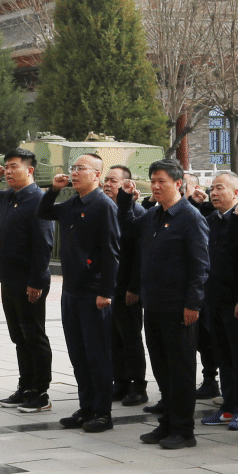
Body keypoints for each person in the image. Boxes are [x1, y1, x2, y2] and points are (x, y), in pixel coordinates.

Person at [128, 160, 208, 449]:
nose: (156, 185)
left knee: (181, 369)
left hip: (179, 307)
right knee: (162, 367)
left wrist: (193, 303)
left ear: (178, 183)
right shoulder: (151, 216)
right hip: (154, 304)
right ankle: (167, 423)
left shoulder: (190, 217)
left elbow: (200, 265)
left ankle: (184, 430)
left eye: (162, 180)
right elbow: (128, 230)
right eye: (153, 180)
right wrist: (128, 200)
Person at [38, 154, 120, 433]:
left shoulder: (103, 205)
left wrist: (106, 291)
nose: (74, 173)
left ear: (96, 174)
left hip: (93, 292)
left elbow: (111, 252)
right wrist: (54, 190)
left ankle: (102, 412)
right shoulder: (73, 203)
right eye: (73, 168)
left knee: (97, 354)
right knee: (78, 353)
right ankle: (86, 407)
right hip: (71, 291)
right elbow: (43, 212)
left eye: (81, 168)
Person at [0, 150, 56, 414]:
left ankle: (41, 391)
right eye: (6, 167)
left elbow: (44, 246)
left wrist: (36, 281)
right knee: (19, 336)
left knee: (34, 335)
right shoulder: (9, 198)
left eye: (14, 167)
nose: (9, 171)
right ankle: (25, 386)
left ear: (30, 170)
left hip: (30, 282)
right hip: (9, 280)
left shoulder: (38, 200)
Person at [197, 173, 238, 432]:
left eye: (220, 188)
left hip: (236, 302)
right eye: (212, 188)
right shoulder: (208, 221)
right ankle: (228, 407)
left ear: (236, 193)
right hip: (213, 299)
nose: (214, 193)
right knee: (222, 355)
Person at [104, 165, 150, 406]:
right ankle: (119, 381)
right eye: (106, 180)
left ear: (127, 184)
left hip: (127, 286)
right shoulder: (104, 209)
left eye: (113, 180)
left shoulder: (137, 212)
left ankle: (137, 385)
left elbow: (139, 255)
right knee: (113, 337)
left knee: (130, 337)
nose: (107, 184)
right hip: (109, 285)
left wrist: (134, 287)